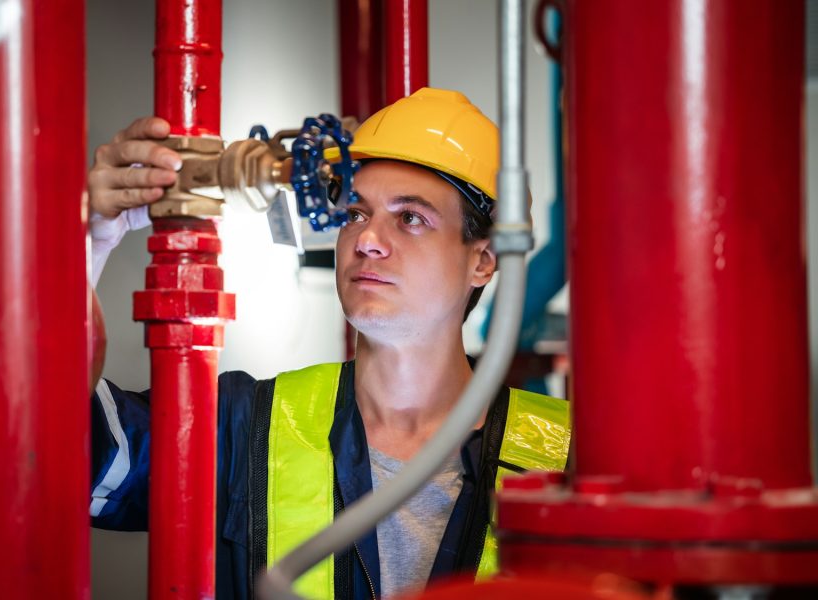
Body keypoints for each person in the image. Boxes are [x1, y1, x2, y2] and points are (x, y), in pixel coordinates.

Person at [86, 88, 571, 599]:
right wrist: (91, 242)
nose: (366, 239)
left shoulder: (570, 457)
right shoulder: (242, 427)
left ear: (484, 260)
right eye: (355, 213)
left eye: (410, 218)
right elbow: (51, 452)